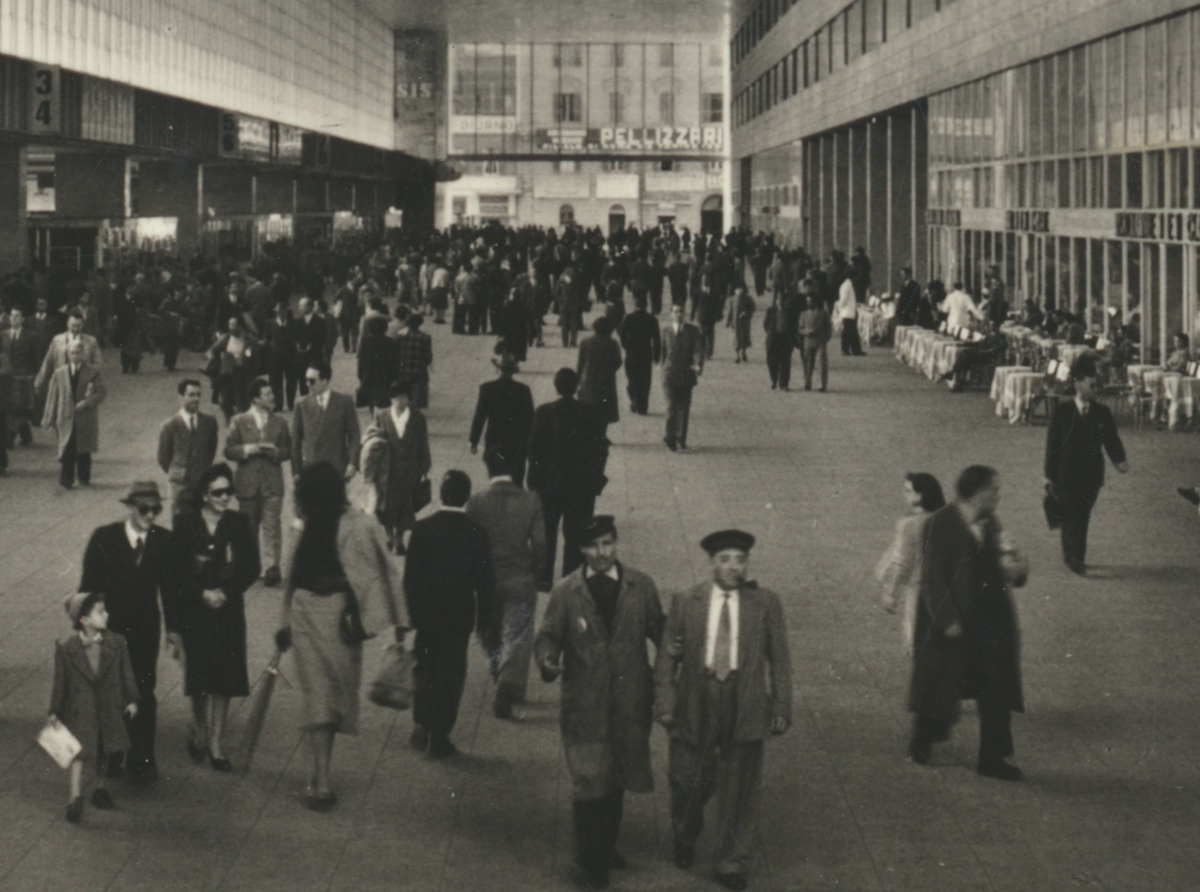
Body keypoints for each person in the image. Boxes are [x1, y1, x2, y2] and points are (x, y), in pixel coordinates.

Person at [655, 529, 793, 891]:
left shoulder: (765, 603)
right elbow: (667, 659)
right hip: (696, 700)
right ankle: (685, 833)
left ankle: (732, 861)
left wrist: (781, 704)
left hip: (743, 700)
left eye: (741, 559)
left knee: (740, 786)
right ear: (711, 563)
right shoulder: (687, 600)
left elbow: (780, 658)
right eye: (726, 559)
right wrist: (666, 705)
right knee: (687, 780)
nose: (734, 567)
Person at [534, 516, 665, 891]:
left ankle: (604, 847)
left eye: (608, 543)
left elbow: (661, 631)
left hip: (629, 703)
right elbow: (548, 636)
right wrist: (547, 661)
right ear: (581, 550)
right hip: (585, 706)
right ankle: (591, 863)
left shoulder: (641, 587)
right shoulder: (565, 592)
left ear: (616, 542)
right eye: (593, 546)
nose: (602, 553)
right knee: (590, 782)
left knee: (617, 778)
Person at [275, 463, 408, 811]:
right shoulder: (329, 524)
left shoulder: (343, 525)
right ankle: (320, 780)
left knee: (328, 696)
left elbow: (384, 571)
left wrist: (399, 619)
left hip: (326, 617)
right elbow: (291, 579)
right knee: (322, 695)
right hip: (323, 617)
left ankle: (320, 775)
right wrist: (283, 623)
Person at [907, 466, 1028, 781]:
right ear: (978, 492)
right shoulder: (939, 524)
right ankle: (923, 737)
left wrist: (1018, 569)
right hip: (954, 625)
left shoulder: (991, 523)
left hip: (991, 625)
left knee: (996, 689)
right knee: (942, 687)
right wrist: (946, 620)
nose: (999, 495)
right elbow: (933, 579)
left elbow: (1004, 563)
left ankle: (993, 758)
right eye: (995, 489)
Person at [79, 481, 179, 785]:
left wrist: (174, 630)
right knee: (110, 690)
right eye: (144, 509)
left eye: (156, 509)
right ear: (130, 508)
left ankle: (142, 759)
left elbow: (171, 590)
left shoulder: (164, 541)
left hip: (146, 628)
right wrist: (87, 628)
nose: (151, 515)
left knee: (143, 690)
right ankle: (110, 752)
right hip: (110, 628)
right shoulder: (104, 538)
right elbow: (88, 588)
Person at [172, 463, 261, 771]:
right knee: (198, 677)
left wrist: (227, 592)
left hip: (228, 612)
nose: (225, 498)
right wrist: (201, 594)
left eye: (229, 492)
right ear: (204, 495)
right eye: (218, 493)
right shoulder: (185, 523)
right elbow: (177, 570)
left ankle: (216, 744)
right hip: (196, 612)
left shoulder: (239, 522)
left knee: (224, 677)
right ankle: (200, 727)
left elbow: (252, 567)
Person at [405, 470, 496, 756]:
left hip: (426, 615)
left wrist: (410, 616)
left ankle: (421, 723)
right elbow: (485, 582)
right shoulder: (476, 532)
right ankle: (440, 734)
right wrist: (486, 620)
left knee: (425, 667)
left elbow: (410, 579)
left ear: (440, 495)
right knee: (452, 674)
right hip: (458, 615)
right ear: (467, 498)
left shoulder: (422, 528)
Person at [466, 449, 547, 720]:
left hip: (486, 581)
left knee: (488, 629)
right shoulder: (530, 500)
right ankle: (508, 683)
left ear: (488, 471)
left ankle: (496, 666)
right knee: (519, 633)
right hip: (519, 577)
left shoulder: (476, 502)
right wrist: (535, 573)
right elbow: (540, 543)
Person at [50, 592, 139, 823]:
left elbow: (127, 673)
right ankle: (75, 795)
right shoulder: (66, 648)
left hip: (108, 705)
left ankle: (100, 788)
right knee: (79, 752)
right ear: (85, 620)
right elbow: (60, 683)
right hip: (83, 709)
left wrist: (132, 699)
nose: (107, 614)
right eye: (100, 611)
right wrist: (54, 711)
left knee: (104, 749)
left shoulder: (116, 643)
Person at [1044, 356, 1128, 575]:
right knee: (1072, 514)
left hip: (1091, 475)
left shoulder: (1102, 413)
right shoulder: (1062, 412)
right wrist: (1048, 475)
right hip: (1065, 474)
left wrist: (1120, 459)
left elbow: (1112, 439)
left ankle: (1072, 555)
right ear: (1078, 384)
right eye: (1091, 385)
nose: (1095, 389)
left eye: (1096, 385)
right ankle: (1075, 558)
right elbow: (1052, 445)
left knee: (1081, 515)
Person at [528, 368, 609, 585]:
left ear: (556, 387)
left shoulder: (544, 412)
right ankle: (570, 579)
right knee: (575, 536)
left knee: (547, 534)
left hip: (549, 486)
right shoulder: (591, 413)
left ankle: (544, 578)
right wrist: (596, 481)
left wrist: (533, 481)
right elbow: (601, 451)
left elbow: (534, 450)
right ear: (577, 387)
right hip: (580, 488)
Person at [225, 376, 292, 587]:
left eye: (272, 393)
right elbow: (228, 450)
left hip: (272, 483)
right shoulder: (239, 420)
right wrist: (247, 450)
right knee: (249, 527)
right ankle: (251, 566)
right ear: (255, 399)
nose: (272, 397)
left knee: (272, 526)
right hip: (248, 483)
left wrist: (276, 452)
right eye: (267, 394)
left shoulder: (280, 422)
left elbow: (289, 450)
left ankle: (272, 568)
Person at [875, 473, 946, 656]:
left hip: (919, 591)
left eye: (908, 491)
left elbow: (902, 563)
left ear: (919, 496)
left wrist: (892, 594)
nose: (904, 495)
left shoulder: (909, 525)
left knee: (918, 643)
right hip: (945, 589)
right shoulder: (945, 519)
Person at [362, 380, 432, 554]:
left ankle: (399, 540)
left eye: (404, 396)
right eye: (396, 396)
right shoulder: (382, 416)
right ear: (391, 398)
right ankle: (389, 537)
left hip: (409, 470)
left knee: (404, 507)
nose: (400, 400)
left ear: (409, 398)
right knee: (385, 507)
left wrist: (425, 465)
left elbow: (423, 443)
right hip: (387, 470)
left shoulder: (417, 418)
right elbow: (372, 440)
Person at [43, 340, 105, 491]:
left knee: (83, 447)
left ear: (83, 354)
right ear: (67, 354)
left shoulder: (93, 371)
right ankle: (66, 480)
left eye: (77, 353)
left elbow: (101, 392)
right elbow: (53, 396)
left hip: (85, 416)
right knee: (67, 447)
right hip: (65, 415)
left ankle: (84, 477)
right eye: (71, 353)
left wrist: (87, 402)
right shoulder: (60, 372)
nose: (75, 356)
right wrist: (49, 417)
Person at [468, 353, 535, 488]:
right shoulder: (523, 390)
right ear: (513, 371)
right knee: (517, 482)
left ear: (498, 369)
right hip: (517, 443)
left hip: (494, 441)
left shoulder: (487, 389)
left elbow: (480, 416)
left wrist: (474, 440)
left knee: (496, 478)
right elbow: (530, 420)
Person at [157, 379, 219, 517]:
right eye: (191, 395)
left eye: (198, 395)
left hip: (201, 482)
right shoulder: (170, 425)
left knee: (201, 523)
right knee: (180, 523)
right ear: (181, 397)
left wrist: (201, 469)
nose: (196, 399)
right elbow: (163, 457)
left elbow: (211, 451)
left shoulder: (209, 422)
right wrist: (178, 472)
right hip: (179, 484)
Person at [292, 362, 361, 483]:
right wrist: (297, 471)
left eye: (312, 381)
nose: (308, 384)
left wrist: (352, 463)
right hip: (310, 470)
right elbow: (295, 440)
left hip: (337, 469)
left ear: (325, 380)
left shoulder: (344, 402)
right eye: (306, 380)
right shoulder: (302, 404)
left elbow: (354, 435)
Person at [661, 304, 706, 451]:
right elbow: (663, 354)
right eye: (675, 312)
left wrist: (699, 364)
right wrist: (663, 371)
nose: (679, 314)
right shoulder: (666, 332)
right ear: (671, 315)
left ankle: (681, 438)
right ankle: (670, 437)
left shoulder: (692, 331)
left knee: (683, 409)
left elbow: (699, 349)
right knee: (671, 407)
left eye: (681, 311)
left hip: (686, 374)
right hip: (669, 374)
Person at [34, 309, 102, 396]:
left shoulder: (91, 341)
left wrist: (92, 383)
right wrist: (39, 382)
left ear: (83, 325)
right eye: (72, 326)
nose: (75, 329)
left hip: (82, 385)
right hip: (61, 384)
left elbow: (98, 365)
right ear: (67, 324)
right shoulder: (57, 340)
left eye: (79, 326)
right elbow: (48, 362)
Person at [577, 316, 624, 432]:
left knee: (588, 406)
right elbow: (618, 362)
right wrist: (609, 370)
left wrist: (578, 379)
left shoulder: (585, 342)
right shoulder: (612, 343)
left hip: (588, 380)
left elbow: (581, 362)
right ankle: (602, 434)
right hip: (606, 380)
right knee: (605, 410)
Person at [2, 306, 39, 448]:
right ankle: (26, 435)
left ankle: (9, 438)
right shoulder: (3, 335)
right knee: (12, 407)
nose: (14, 318)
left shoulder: (30, 335)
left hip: (23, 377)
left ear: (23, 319)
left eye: (17, 316)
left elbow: (36, 357)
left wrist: (34, 375)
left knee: (19, 406)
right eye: (12, 316)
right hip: (6, 378)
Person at [618, 294, 661, 415]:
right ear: (646, 305)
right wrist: (656, 356)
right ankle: (643, 406)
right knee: (645, 380)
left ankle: (634, 398)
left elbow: (622, 335)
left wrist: (627, 347)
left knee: (632, 378)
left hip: (632, 354)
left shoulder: (629, 318)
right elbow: (656, 340)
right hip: (646, 354)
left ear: (635, 304)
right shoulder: (652, 319)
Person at [392, 312, 433, 409]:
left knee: (402, 393)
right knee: (417, 395)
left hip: (402, 371)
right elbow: (428, 357)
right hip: (418, 371)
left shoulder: (399, 337)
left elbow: (395, 354)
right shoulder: (425, 337)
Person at [264, 301, 298, 411]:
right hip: (275, 357)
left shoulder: (293, 323)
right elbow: (266, 340)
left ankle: (290, 403)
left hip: (290, 356)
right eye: (278, 312)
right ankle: (277, 405)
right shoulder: (269, 323)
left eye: (282, 312)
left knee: (291, 380)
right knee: (275, 381)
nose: (280, 314)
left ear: (286, 312)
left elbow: (297, 338)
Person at [796, 293, 832, 392]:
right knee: (807, 362)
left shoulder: (823, 313)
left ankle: (822, 384)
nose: (809, 303)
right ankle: (807, 382)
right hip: (808, 340)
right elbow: (800, 329)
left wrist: (825, 339)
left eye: (810, 301)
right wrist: (806, 332)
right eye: (807, 301)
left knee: (822, 363)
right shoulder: (803, 314)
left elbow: (828, 328)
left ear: (815, 302)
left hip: (820, 341)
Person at [293, 297, 327, 397]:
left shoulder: (320, 321)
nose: (299, 308)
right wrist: (297, 344)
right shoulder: (297, 321)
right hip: (301, 356)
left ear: (309, 307)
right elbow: (294, 336)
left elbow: (323, 338)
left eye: (302, 306)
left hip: (314, 355)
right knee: (302, 378)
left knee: (314, 377)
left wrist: (312, 344)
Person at [836, 275, 865, 356]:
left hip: (848, 312)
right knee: (850, 331)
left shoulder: (846, 285)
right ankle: (852, 349)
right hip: (849, 311)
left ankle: (849, 349)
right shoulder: (847, 285)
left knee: (849, 332)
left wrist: (840, 306)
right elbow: (845, 299)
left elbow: (844, 299)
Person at [731, 286, 756, 363]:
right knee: (737, 338)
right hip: (736, 322)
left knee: (745, 336)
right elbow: (731, 311)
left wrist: (746, 313)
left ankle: (743, 352)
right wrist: (729, 321)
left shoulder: (748, 299)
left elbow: (752, 308)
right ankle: (737, 355)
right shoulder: (733, 299)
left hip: (745, 321)